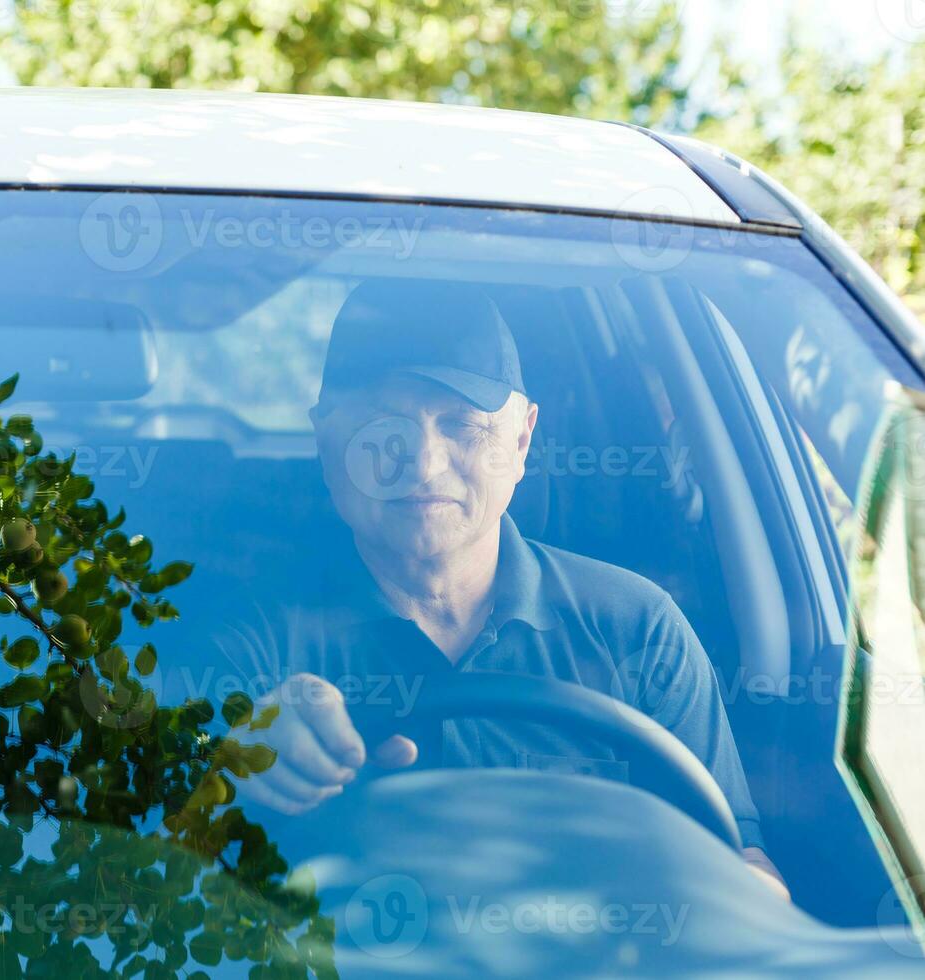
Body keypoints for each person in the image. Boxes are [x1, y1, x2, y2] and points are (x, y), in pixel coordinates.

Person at [235, 278, 788, 897]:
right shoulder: (239, 640)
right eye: (384, 427)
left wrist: (743, 896)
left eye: (463, 427)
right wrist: (227, 763)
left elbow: (741, 868)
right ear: (325, 438)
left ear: (521, 441)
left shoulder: (638, 629)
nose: (423, 464)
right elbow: (149, 845)